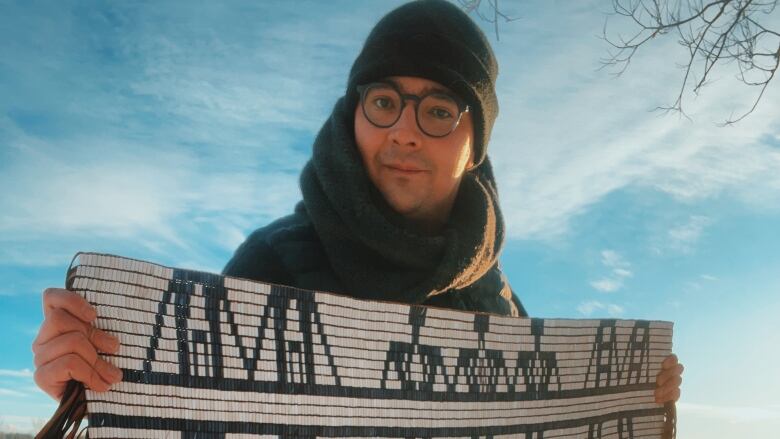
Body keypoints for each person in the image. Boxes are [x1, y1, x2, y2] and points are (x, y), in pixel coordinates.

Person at [31, 0, 683, 410]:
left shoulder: (499, 302)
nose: (404, 129)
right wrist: (94, 378)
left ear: (475, 145)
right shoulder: (270, 261)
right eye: (383, 100)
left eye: (438, 108)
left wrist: (628, 405)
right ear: (354, 117)